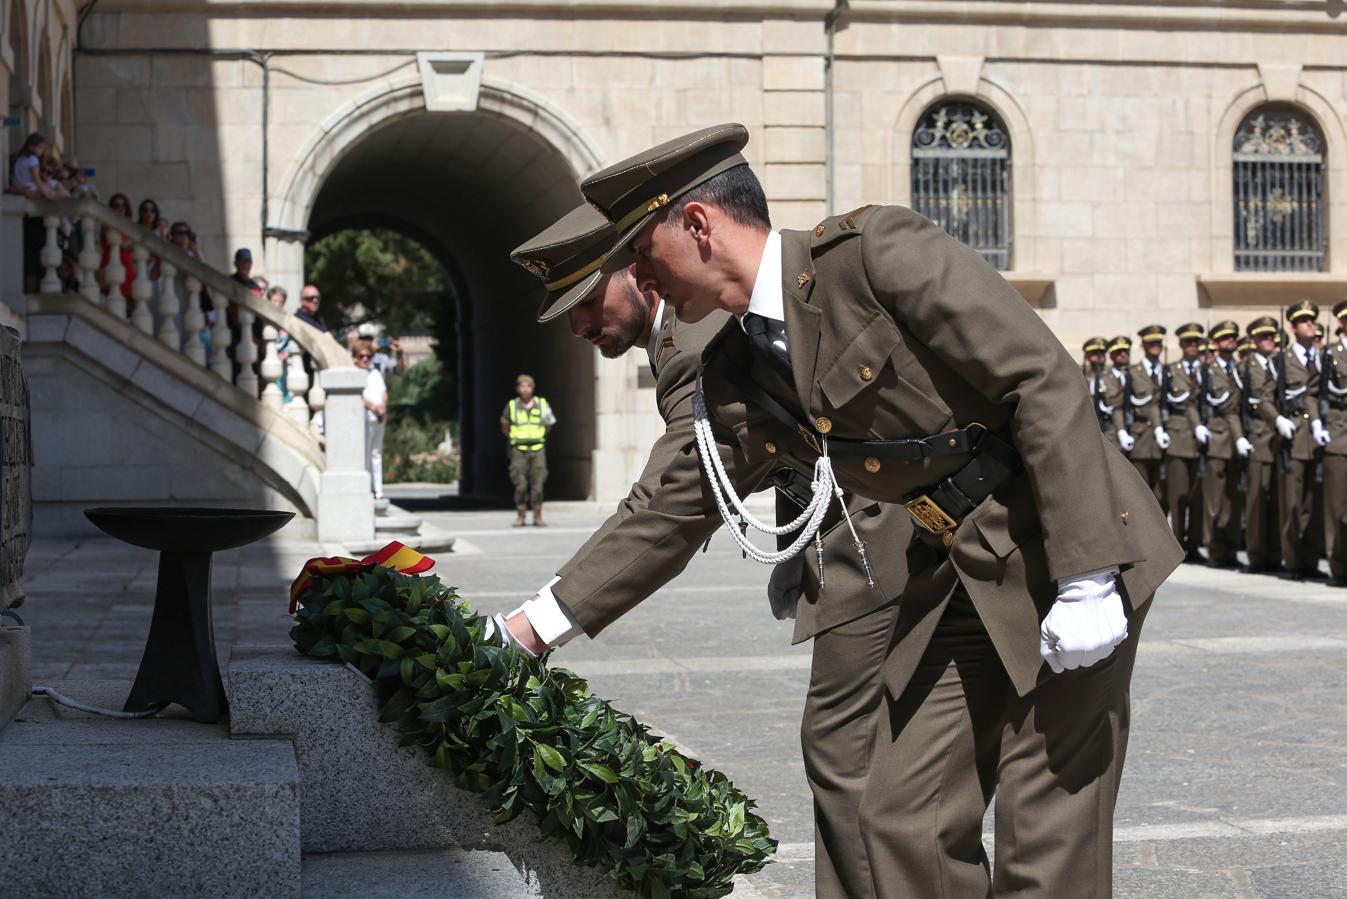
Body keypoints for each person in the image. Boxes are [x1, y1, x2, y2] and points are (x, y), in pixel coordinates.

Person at [503, 124, 1182, 897]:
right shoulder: (732, 366)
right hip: (954, 569)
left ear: (697, 226)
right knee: (900, 815)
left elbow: (1043, 378)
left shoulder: (874, 255)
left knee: (1043, 831)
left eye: (643, 255)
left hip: (1060, 545)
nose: (642, 278)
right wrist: (528, 629)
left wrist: (1089, 573)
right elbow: (673, 505)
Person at [511, 204, 908, 896]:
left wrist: (532, 626)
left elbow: (671, 504)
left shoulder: (695, 339)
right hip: (867, 528)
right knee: (895, 772)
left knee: (851, 753)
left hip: (886, 533)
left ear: (638, 272)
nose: (577, 325)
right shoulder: (679, 337)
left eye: (584, 300)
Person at [1275, 301, 1329, 580]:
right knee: (1293, 505)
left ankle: (1309, 561)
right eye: (1304, 321)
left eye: (1312, 320)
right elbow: (1264, 396)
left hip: (1316, 438)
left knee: (1312, 503)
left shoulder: (1323, 357)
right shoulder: (1282, 360)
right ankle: (1293, 563)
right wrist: (1277, 419)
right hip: (1293, 438)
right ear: (1294, 327)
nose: (1311, 324)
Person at [1201, 320, 1249, 568]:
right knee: (1215, 500)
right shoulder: (1209, 371)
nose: (1231, 340)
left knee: (1233, 497)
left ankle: (1230, 548)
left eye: (1233, 337)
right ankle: (1214, 549)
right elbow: (1223, 405)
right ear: (1217, 343)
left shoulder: (1241, 369)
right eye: (1225, 338)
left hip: (1238, 439)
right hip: (1219, 437)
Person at [1242, 316, 1282, 574]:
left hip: (1278, 440)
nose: (1270, 340)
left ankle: (1274, 553)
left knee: (1274, 500)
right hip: (1259, 437)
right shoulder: (1249, 367)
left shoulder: (1276, 364)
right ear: (1254, 340)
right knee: (1257, 500)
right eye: (1264, 337)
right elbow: (1254, 400)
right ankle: (1257, 555)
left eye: (1272, 336)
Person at [1165, 323, 1206, 562]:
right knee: (1179, 495)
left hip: (1203, 439)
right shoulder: (1172, 371)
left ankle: (1196, 543)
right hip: (1179, 436)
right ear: (1180, 344)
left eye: (1196, 342)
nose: (1193, 346)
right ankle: (1178, 544)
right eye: (1188, 342)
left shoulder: (1206, 370)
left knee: (1198, 496)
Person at [500, 374, 555, 527]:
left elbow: (549, 425)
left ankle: (537, 515)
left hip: (538, 449)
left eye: (528, 386)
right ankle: (521, 515)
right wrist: (515, 438)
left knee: (538, 484)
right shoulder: (512, 406)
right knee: (520, 484)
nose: (525, 389)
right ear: (518, 388)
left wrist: (538, 436)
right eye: (522, 386)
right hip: (519, 450)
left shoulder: (542, 404)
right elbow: (505, 426)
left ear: (533, 388)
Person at [1128, 324, 1168, 508]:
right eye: (1151, 343)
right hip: (1141, 437)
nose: (1156, 346)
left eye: (1158, 342)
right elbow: (1123, 405)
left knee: (1161, 494)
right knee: (1140, 493)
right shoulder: (1134, 373)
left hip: (1166, 439)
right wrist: (1122, 431)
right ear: (1143, 345)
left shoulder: (1169, 371)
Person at [1323, 301, 1347, 587]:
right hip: (1339, 437)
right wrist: (1318, 422)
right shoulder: (1330, 354)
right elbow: (1313, 392)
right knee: (1337, 508)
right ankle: (1338, 566)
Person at [354, 338, 387, 500]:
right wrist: (373, 407)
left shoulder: (375, 373)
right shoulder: (354, 375)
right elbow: (360, 397)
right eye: (361, 356)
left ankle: (378, 490)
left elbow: (383, 392)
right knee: (365, 453)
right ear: (355, 358)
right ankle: (366, 489)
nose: (365, 359)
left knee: (376, 453)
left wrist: (382, 407)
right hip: (365, 417)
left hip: (378, 417)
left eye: (368, 356)